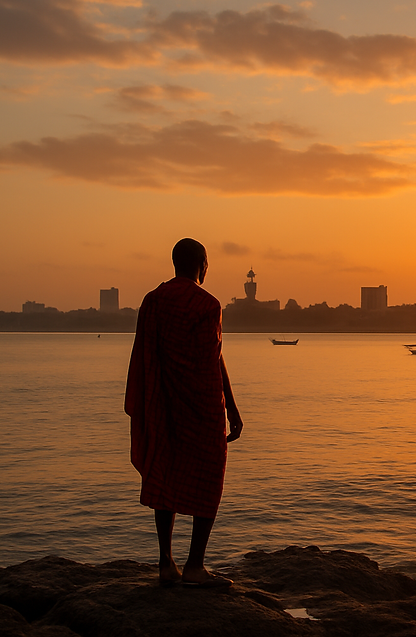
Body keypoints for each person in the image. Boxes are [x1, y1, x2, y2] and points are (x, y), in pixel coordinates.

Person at [125, 238, 243, 588]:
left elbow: (145, 353)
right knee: (210, 475)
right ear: (201, 264)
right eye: (207, 262)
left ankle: (165, 562)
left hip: (161, 402)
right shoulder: (207, 304)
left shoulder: (153, 300)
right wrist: (231, 407)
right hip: (200, 405)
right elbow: (212, 357)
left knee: (166, 472)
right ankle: (194, 565)